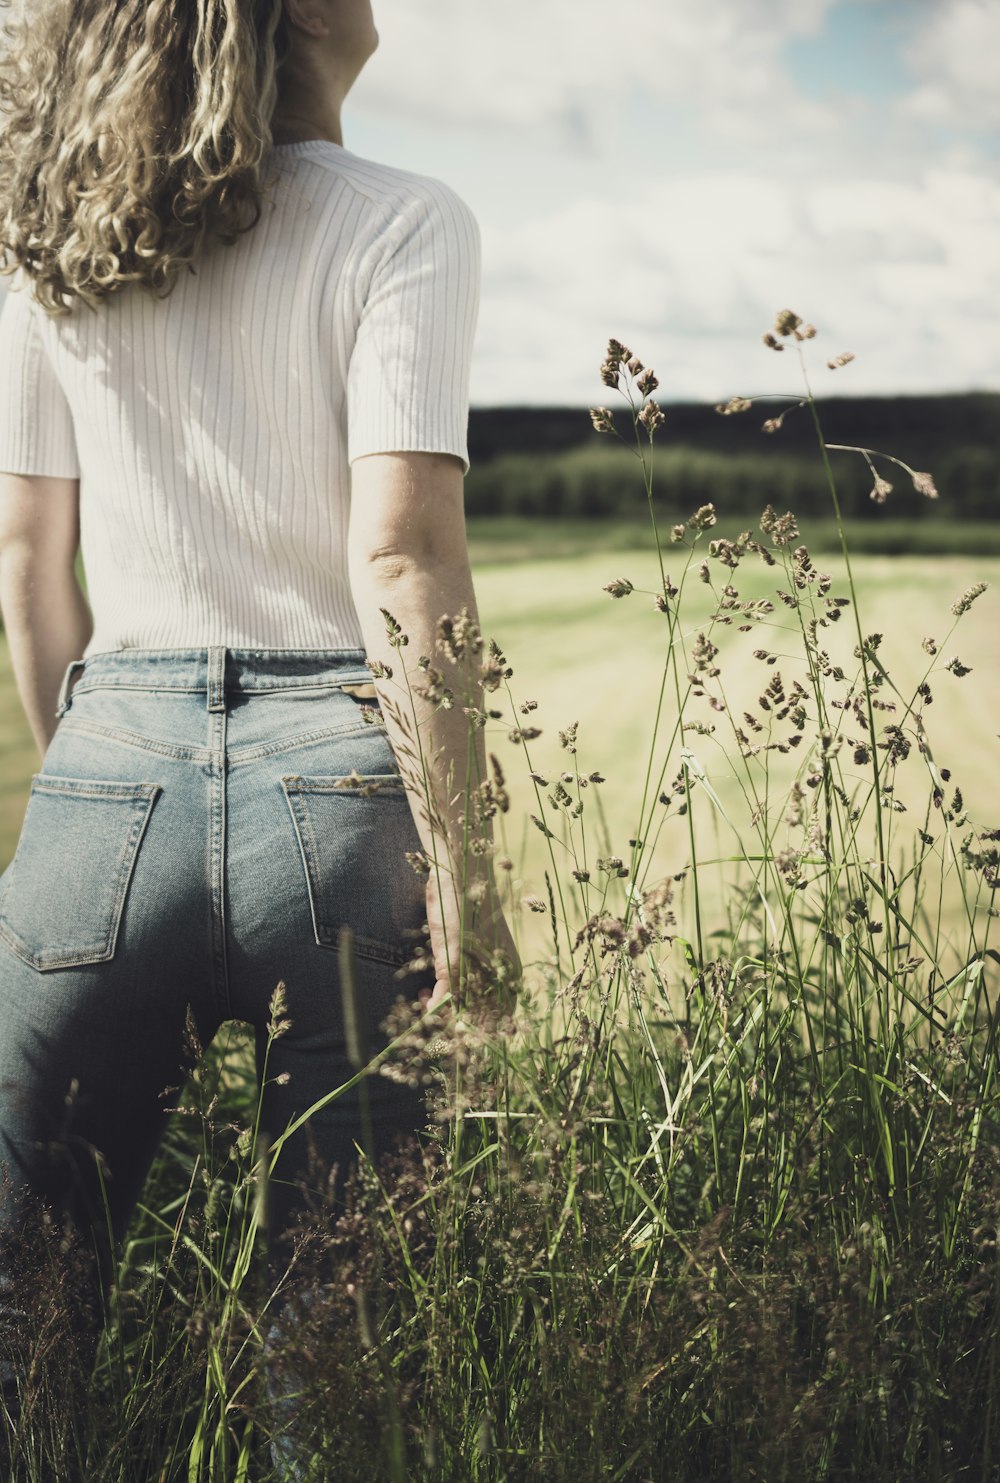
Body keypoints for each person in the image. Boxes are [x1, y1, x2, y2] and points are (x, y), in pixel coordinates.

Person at [0, 0, 520, 1459]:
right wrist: (472, 890)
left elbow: (32, 561)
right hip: (344, 789)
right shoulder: (405, 222)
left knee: (30, 1320)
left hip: (106, 772)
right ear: (283, 12)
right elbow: (403, 557)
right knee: (338, 1341)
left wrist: (111, 788)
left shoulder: (53, 236)